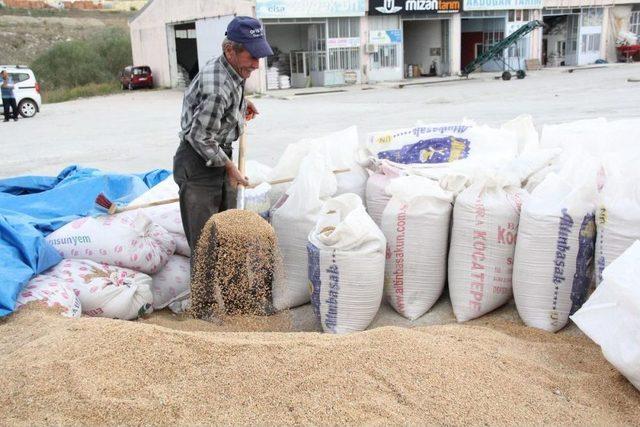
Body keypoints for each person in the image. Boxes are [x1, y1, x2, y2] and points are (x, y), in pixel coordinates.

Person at [173, 16, 273, 251]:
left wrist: (240, 105)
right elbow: (199, 136)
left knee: (229, 239)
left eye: (259, 57)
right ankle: (205, 289)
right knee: (206, 247)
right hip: (198, 165)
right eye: (252, 56)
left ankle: (229, 289)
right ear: (230, 50)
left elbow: (226, 96)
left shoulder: (231, 70)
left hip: (218, 156)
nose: (256, 64)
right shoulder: (217, 87)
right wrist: (230, 167)